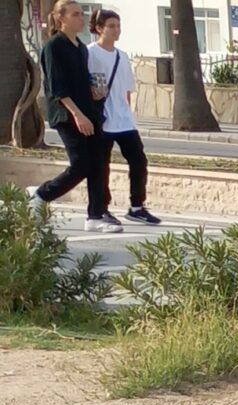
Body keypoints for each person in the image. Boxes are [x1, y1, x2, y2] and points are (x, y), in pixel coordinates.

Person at [32, 0, 115, 232]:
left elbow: (81, 80)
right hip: (68, 115)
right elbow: (58, 88)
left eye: (82, 13)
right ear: (62, 18)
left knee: (99, 163)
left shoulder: (80, 47)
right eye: (76, 14)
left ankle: (95, 216)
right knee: (81, 165)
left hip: (90, 112)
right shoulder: (53, 47)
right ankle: (42, 195)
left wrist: (94, 92)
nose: (82, 18)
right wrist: (78, 115)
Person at [86, 9, 157, 226]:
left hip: (123, 119)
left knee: (138, 160)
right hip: (102, 119)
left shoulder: (122, 56)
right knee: (101, 165)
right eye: (111, 26)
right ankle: (101, 209)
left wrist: (126, 111)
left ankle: (137, 206)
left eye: (118, 26)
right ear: (99, 28)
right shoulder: (89, 53)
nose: (117, 30)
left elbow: (126, 89)